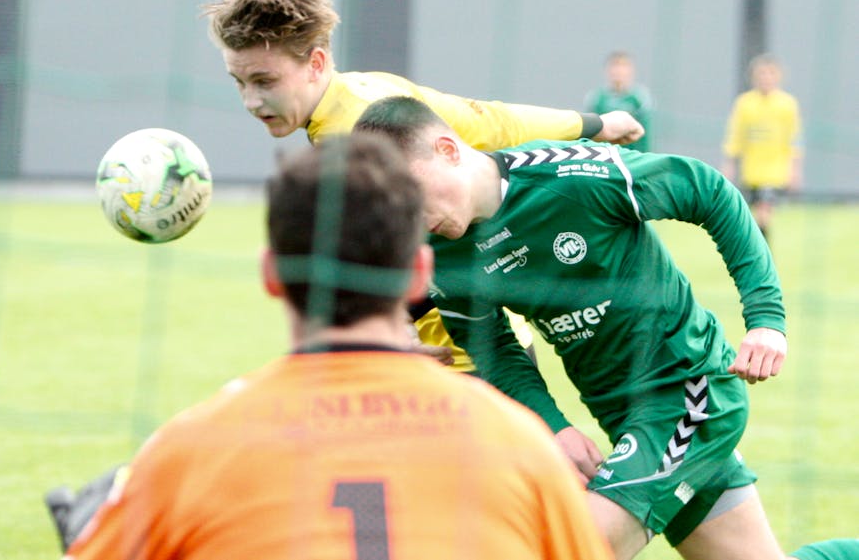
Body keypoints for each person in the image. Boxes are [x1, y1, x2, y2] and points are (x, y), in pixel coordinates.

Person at [62, 135, 615, 560]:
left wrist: (86, 534)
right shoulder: (519, 448)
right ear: (420, 274)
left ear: (271, 275)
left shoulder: (187, 453)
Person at [351, 96, 857, 560]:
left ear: (447, 150)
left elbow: (707, 190)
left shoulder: (573, 175)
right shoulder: (441, 254)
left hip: (690, 394)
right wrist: (555, 427)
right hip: (620, 415)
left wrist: (766, 318)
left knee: (575, 549)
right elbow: (495, 351)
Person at [202, 0, 645, 372]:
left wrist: (404, 331)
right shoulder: (365, 89)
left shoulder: (361, 129)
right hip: (456, 344)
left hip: (464, 353)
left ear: (315, 63)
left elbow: (398, 244)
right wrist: (593, 123)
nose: (250, 100)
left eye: (265, 81)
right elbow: (485, 120)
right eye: (239, 82)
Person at [721, 53, 803, 242]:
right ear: (754, 77)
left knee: (764, 212)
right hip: (751, 171)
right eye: (762, 74)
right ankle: (759, 252)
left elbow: (794, 139)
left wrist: (794, 170)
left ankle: (764, 254)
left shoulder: (787, 104)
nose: (766, 78)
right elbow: (735, 137)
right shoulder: (745, 103)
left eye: (770, 74)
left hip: (774, 170)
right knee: (751, 215)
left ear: (779, 77)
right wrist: (729, 165)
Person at [583, 51, 655, 152]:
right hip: (604, 157)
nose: (619, 71)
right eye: (615, 66)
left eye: (623, 66)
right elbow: (589, 133)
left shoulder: (639, 99)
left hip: (630, 157)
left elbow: (644, 136)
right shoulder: (597, 99)